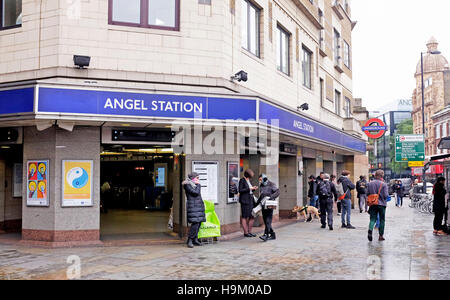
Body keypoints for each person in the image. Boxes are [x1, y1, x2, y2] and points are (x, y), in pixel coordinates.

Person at [183, 172, 206, 248]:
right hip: (193, 207)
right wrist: (198, 185)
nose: (198, 179)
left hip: (199, 206)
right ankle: (190, 239)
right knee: (195, 224)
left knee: (198, 223)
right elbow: (196, 193)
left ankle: (195, 239)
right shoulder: (187, 185)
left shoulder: (195, 185)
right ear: (192, 178)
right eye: (197, 178)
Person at [367, 170, 389, 242]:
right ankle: (380, 236)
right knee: (382, 220)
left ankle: (370, 229)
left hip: (373, 203)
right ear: (382, 176)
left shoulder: (370, 183)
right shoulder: (384, 184)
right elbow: (386, 195)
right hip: (382, 204)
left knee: (373, 219)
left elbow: (367, 193)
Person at [258, 174, 280, 242]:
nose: (260, 181)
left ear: (264, 178)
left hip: (270, 205)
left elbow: (277, 192)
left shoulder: (271, 184)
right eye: (259, 180)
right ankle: (272, 234)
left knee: (268, 220)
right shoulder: (261, 185)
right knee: (266, 220)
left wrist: (270, 197)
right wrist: (257, 203)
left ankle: (266, 235)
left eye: (261, 180)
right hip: (263, 204)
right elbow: (261, 195)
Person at [238, 169, 258, 238]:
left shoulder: (248, 180)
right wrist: (249, 188)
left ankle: (250, 232)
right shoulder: (242, 180)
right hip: (245, 201)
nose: (250, 177)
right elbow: (240, 190)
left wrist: (253, 189)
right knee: (244, 216)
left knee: (252, 216)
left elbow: (249, 190)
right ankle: (246, 232)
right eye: (250, 176)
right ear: (247, 175)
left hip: (250, 200)